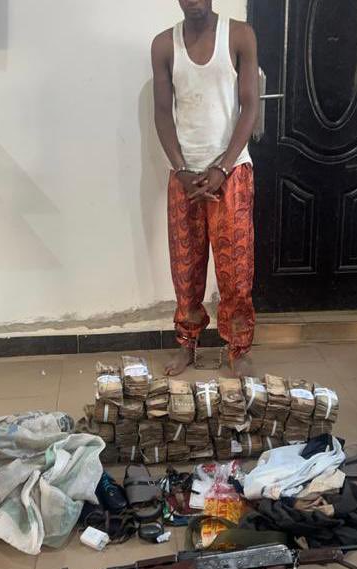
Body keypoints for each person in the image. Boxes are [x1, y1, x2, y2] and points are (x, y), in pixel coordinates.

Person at [152, 0, 259, 376]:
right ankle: (187, 344)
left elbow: (250, 106)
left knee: (236, 271)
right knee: (186, 270)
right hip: (185, 177)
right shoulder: (164, 45)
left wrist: (223, 167)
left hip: (232, 172)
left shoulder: (240, 35)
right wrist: (181, 169)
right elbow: (162, 113)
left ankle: (238, 348)